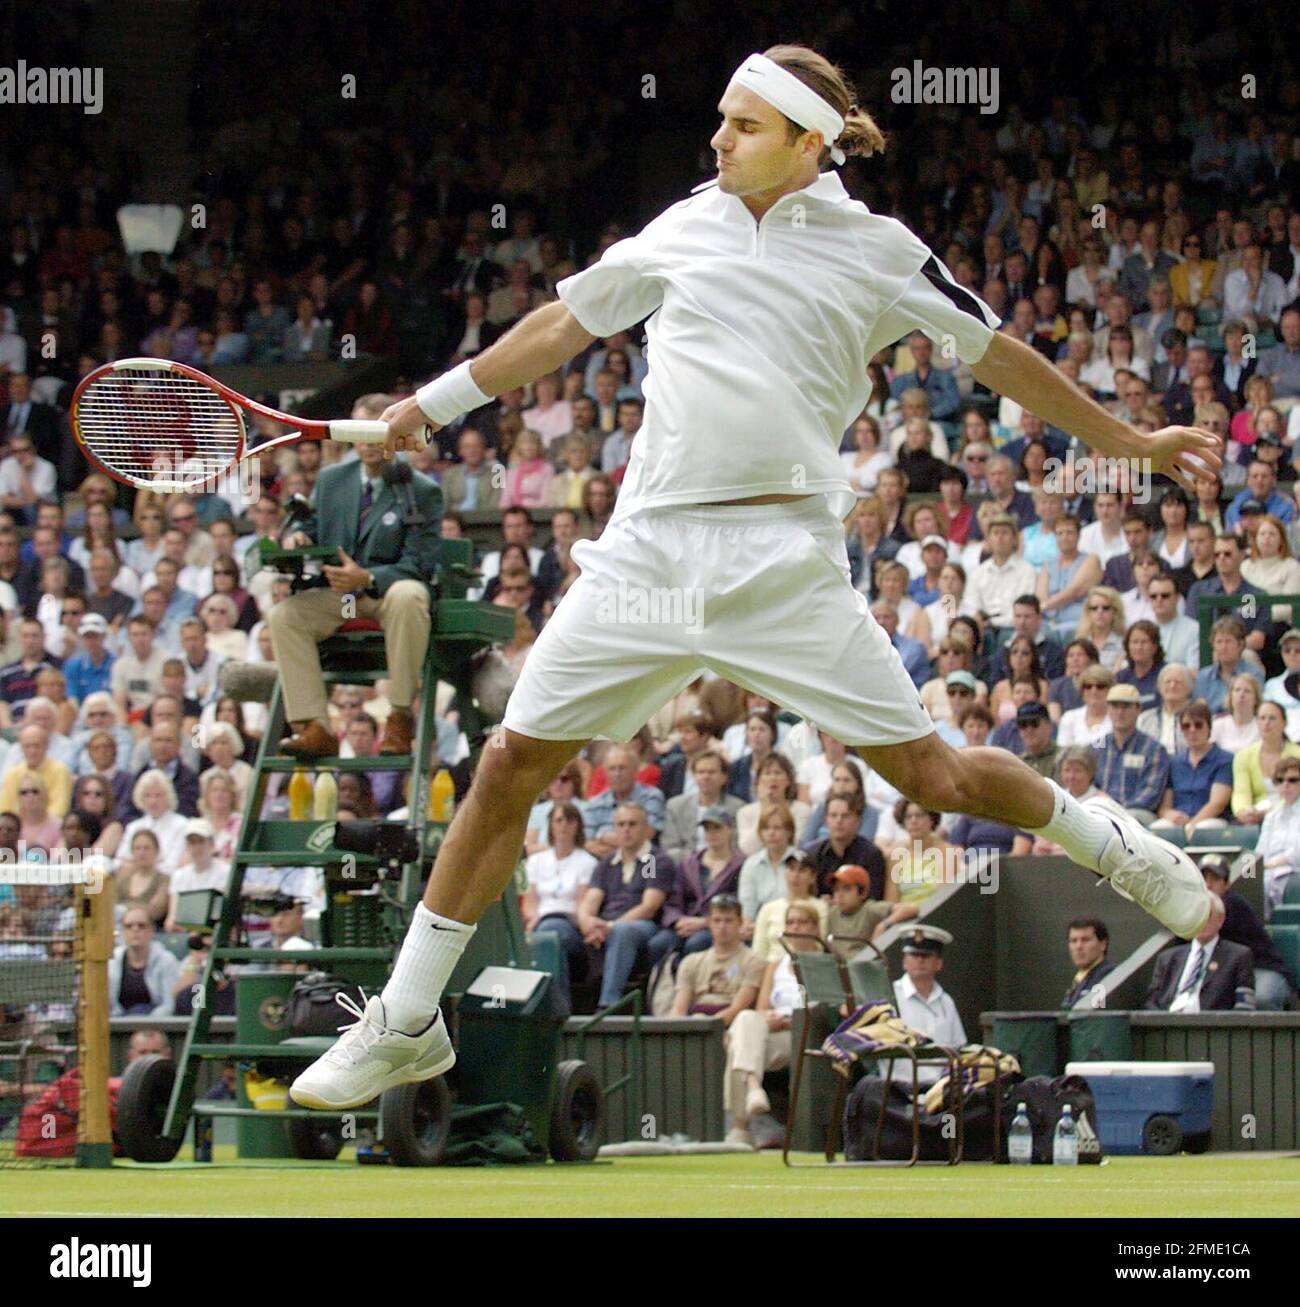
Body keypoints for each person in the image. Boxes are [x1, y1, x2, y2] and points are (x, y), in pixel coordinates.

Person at [289, 42, 1225, 1110]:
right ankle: (407, 1023)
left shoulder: (879, 249)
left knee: (940, 778)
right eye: (720, 120)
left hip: (784, 563)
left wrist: (1134, 441)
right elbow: (563, 321)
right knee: (507, 764)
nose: (717, 138)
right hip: (651, 554)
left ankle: (1116, 845)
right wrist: (436, 399)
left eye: (742, 124)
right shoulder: (681, 225)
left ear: (806, 141)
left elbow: (1001, 354)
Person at [269, 429, 441, 759]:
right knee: (284, 616)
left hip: (386, 593)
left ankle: (400, 715)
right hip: (342, 597)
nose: (368, 444)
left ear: (394, 438)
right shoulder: (332, 479)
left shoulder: (419, 488)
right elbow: (311, 527)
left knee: (410, 595)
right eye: (360, 435)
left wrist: (366, 576)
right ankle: (314, 727)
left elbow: (420, 563)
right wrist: (298, 539)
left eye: (376, 435)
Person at [723, 899, 820, 1147]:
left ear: (814, 928)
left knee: (736, 1045)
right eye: (790, 922)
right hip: (773, 1035)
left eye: (801, 922)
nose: (794, 927)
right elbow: (762, 1008)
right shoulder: (775, 966)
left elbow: (821, 1010)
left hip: (805, 1036)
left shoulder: (826, 965)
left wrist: (788, 1021)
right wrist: (769, 1018)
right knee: (746, 1019)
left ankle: (740, 1127)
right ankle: (754, 1089)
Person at [576, 802, 674, 1010]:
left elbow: (648, 907)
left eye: (632, 824)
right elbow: (590, 901)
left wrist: (609, 927)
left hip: (642, 925)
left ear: (646, 828)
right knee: (563, 934)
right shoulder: (608, 862)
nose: (626, 829)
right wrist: (588, 922)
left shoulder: (651, 860)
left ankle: (607, 1004)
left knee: (622, 931)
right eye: (620, 824)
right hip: (607, 925)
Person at [522, 802, 597, 1008]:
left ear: (578, 826)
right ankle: (558, 1004)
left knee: (552, 932)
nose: (563, 825)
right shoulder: (536, 861)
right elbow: (531, 903)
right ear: (551, 826)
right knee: (544, 936)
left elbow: (581, 905)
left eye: (569, 820)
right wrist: (532, 921)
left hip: (570, 924)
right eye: (558, 820)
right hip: (540, 922)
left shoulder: (587, 861)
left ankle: (553, 1006)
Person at [1198, 854, 1295, 1010]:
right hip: (1228, 971)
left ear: (1226, 884)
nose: (1208, 885)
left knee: (1262, 998)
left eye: (1214, 879)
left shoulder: (1232, 903)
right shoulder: (1196, 905)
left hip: (1261, 968)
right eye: (1204, 879)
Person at [661, 804, 746, 957]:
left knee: (697, 943)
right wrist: (678, 920)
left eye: (717, 828)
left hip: (718, 925)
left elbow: (739, 903)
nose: (712, 833)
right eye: (707, 829)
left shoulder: (741, 865)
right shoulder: (688, 863)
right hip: (686, 921)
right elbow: (673, 899)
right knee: (659, 943)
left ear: (730, 830)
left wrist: (705, 922)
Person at [890, 926, 966, 1083]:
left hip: (943, 1092)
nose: (920, 960)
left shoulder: (946, 1001)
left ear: (938, 963)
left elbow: (959, 1048)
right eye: (914, 955)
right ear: (904, 961)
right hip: (899, 1092)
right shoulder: (890, 997)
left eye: (926, 955)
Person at [1152, 701, 1233, 837]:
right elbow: (1165, 805)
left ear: (1209, 727)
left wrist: (1191, 824)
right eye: (1186, 726)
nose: (1192, 730)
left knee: (1200, 831)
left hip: (1210, 820)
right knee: (1155, 831)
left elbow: (1217, 803)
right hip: (1179, 820)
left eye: (1198, 725)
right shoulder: (1174, 762)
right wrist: (1170, 814)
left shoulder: (1224, 760)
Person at [1143, 915, 1255, 1012]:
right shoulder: (1167, 958)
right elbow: (1151, 1002)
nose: (1201, 922)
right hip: (1168, 1027)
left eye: (1207, 916)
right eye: (1196, 917)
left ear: (1220, 920)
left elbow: (1244, 1007)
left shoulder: (1238, 955)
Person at [1093, 683, 1170, 823]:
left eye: (1126, 707)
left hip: (1137, 815)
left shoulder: (1154, 749)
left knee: (1131, 818)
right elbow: (1090, 786)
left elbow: (1150, 795)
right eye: (1115, 706)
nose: (1120, 712)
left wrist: (1116, 811)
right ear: (1108, 709)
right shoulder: (1097, 747)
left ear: (1138, 709)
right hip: (1101, 813)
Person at [1231, 701, 1300, 823]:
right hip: (1254, 816)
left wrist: (1270, 812)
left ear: (1284, 723)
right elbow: (1241, 792)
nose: (1266, 723)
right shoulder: (1243, 756)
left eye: (1272, 718)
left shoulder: (1297, 754)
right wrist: (1243, 812)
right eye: (1262, 718)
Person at [108, 908, 178, 1017]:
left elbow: (169, 1004)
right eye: (129, 926)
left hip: (156, 1023)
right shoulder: (112, 960)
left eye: (141, 925)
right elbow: (111, 1004)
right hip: (120, 1023)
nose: (135, 930)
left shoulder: (167, 961)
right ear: (122, 931)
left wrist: (147, 1023)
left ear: (152, 930)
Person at [1256, 758, 1300, 916]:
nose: (1285, 785)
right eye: (1280, 780)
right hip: (1269, 870)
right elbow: (1260, 851)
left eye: (1292, 780)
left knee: (1265, 883)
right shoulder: (1272, 816)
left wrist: (1273, 863)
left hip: (1294, 869)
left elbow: (1297, 852)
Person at [825, 863, 889, 957]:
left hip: (862, 966)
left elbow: (909, 909)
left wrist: (884, 925)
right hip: (838, 967)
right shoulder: (832, 914)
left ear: (863, 893)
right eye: (836, 889)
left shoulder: (869, 908)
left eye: (846, 889)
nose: (840, 895)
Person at [1062, 917, 1115, 1008]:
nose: (1078, 946)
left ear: (1103, 944)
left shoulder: (1107, 977)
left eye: (1085, 940)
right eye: (1073, 941)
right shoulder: (1079, 979)